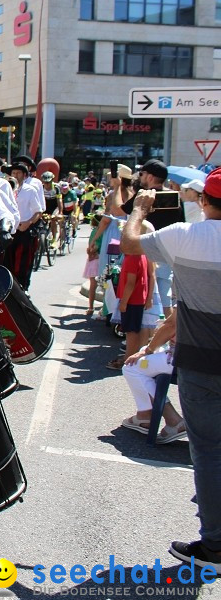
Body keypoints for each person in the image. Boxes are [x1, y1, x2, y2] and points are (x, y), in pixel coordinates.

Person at [122, 176, 221, 570]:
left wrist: (140, 209)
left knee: (210, 454)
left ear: (204, 199)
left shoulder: (185, 234)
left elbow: (130, 244)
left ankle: (214, 546)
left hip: (201, 361)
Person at [123, 159, 185, 317]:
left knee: (142, 295)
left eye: (142, 174)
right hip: (167, 254)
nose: (141, 177)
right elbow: (181, 225)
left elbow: (118, 211)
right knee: (164, 298)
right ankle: (168, 336)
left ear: (150, 177)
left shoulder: (143, 196)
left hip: (143, 252)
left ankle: (145, 331)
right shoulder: (175, 197)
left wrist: (118, 186)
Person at [121, 309, 186, 443]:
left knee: (131, 367)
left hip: (184, 358)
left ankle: (164, 418)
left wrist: (148, 350)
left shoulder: (193, 290)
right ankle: (147, 415)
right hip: (207, 358)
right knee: (143, 355)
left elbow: (171, 325)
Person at [107, 220, 155, 371]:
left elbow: (131, 282)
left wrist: (123, 302)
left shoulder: (133, 257)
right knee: (133, 330)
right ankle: (130, 359)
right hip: (137, 299)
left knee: (130, 331)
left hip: (132, 300)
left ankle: (128, 362)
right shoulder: (141, 254)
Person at [0, 160, 45, 291]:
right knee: (7, 260)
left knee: (23, 261)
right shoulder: (6, 188)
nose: (15, 175)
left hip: (24, 229)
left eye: (18, 172)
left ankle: (23, 287)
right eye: (13, 172)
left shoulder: (30, 190)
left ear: (24, 175)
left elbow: (38, 211)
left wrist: (28, 223)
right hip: (9, 229)